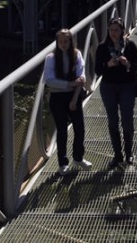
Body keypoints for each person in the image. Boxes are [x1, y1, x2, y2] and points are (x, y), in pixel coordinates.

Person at [94, 17, 137, 168]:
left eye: (116, 30)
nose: (113, 33)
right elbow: (97, 70)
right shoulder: (102, 48)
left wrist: (128, 63)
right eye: (111, 30)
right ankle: (117, 155)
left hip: (127, 86)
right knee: (112, 121)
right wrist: (107, 64)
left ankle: (129, 153)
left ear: (122, 31)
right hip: (108, 87)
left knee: (127, 121)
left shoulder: (130, 46)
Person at [43, 28, 92, 175]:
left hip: (74, 95)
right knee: (62, 130)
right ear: (57, 42)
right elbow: (49, 80)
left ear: (71, 41)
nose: (64, 44)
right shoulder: (50, 58)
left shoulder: (77, 55)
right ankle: (63, 163)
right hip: (58, 96)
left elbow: (81, 77)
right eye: (61, 41)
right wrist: (69, 84)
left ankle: (78, 158)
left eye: (67, 41)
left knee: (79, 128)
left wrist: (74, 97)